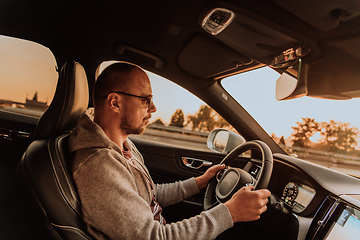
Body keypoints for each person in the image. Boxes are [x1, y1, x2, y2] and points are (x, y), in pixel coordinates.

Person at [69, 62, 271, 240]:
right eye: (145, 99)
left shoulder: (123, 145)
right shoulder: (99, 167)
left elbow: (148, 195)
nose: (153, 108)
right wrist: (230, 212)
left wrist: (197, 183)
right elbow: (154, 237)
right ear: (115, 102)